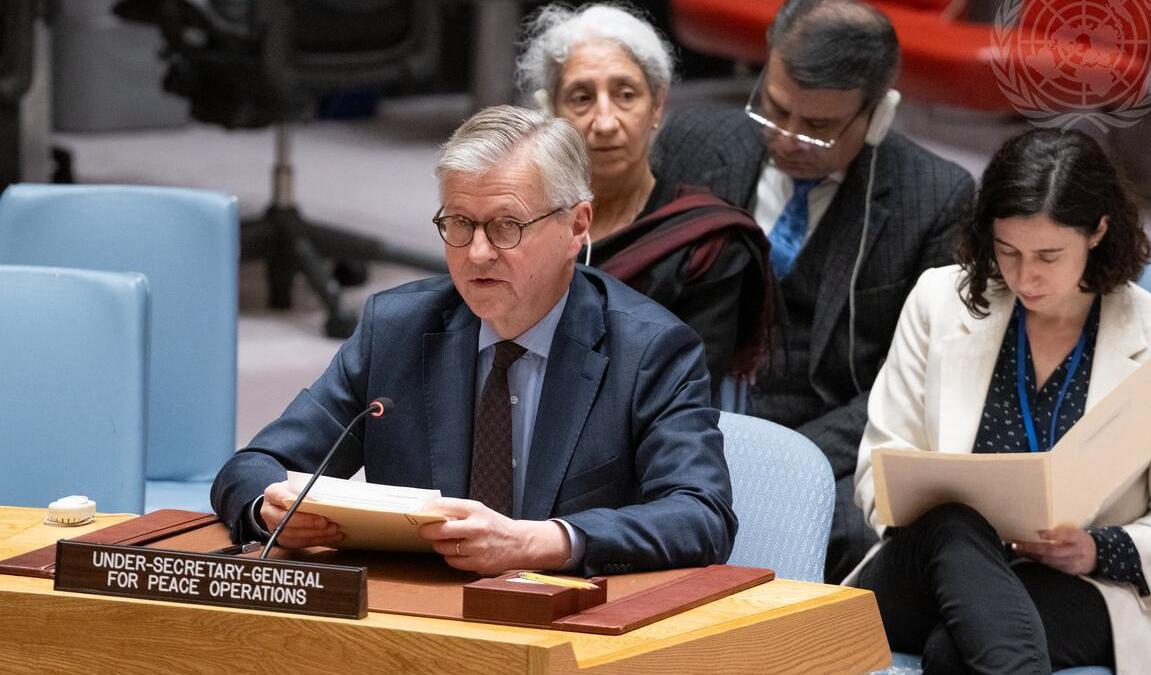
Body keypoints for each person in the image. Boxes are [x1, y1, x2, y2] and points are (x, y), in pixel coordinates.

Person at [210, 105, 737, 578]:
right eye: (459, 224)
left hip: (571, 631)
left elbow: (700, 515)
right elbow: (252, 467)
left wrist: (543, 541)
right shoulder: (397, 328)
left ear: (578, 224)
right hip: (416, 623)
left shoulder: (650, 350)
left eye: (507, 226)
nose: (478, 253)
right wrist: (267, 508)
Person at [849, 128, 1151, 673]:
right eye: (1007, 250)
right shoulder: (940, 302)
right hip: (928, 565)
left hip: (1079, 580)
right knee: (956, 526)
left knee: (955, 652)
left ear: (1099, 232)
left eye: (1048, 255)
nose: (1024, 276)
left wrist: (1095, 548)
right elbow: (879, 463)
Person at [652, 0, 975, 582]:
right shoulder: (694, 144)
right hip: (687, 421)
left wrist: (783, 465)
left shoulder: (935, 198)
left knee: (842, 528)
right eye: (775, 109)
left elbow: (913, 382)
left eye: (819, 128)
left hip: (826, 438)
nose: (790, 138)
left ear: (877, 117)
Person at [516, 3, 775, 393]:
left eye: (625, 95)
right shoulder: (520, 223)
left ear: (657, 105)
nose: (605, 122)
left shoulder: (705, 245)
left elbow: (685, 393)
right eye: (582, 98)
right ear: (551, 111)